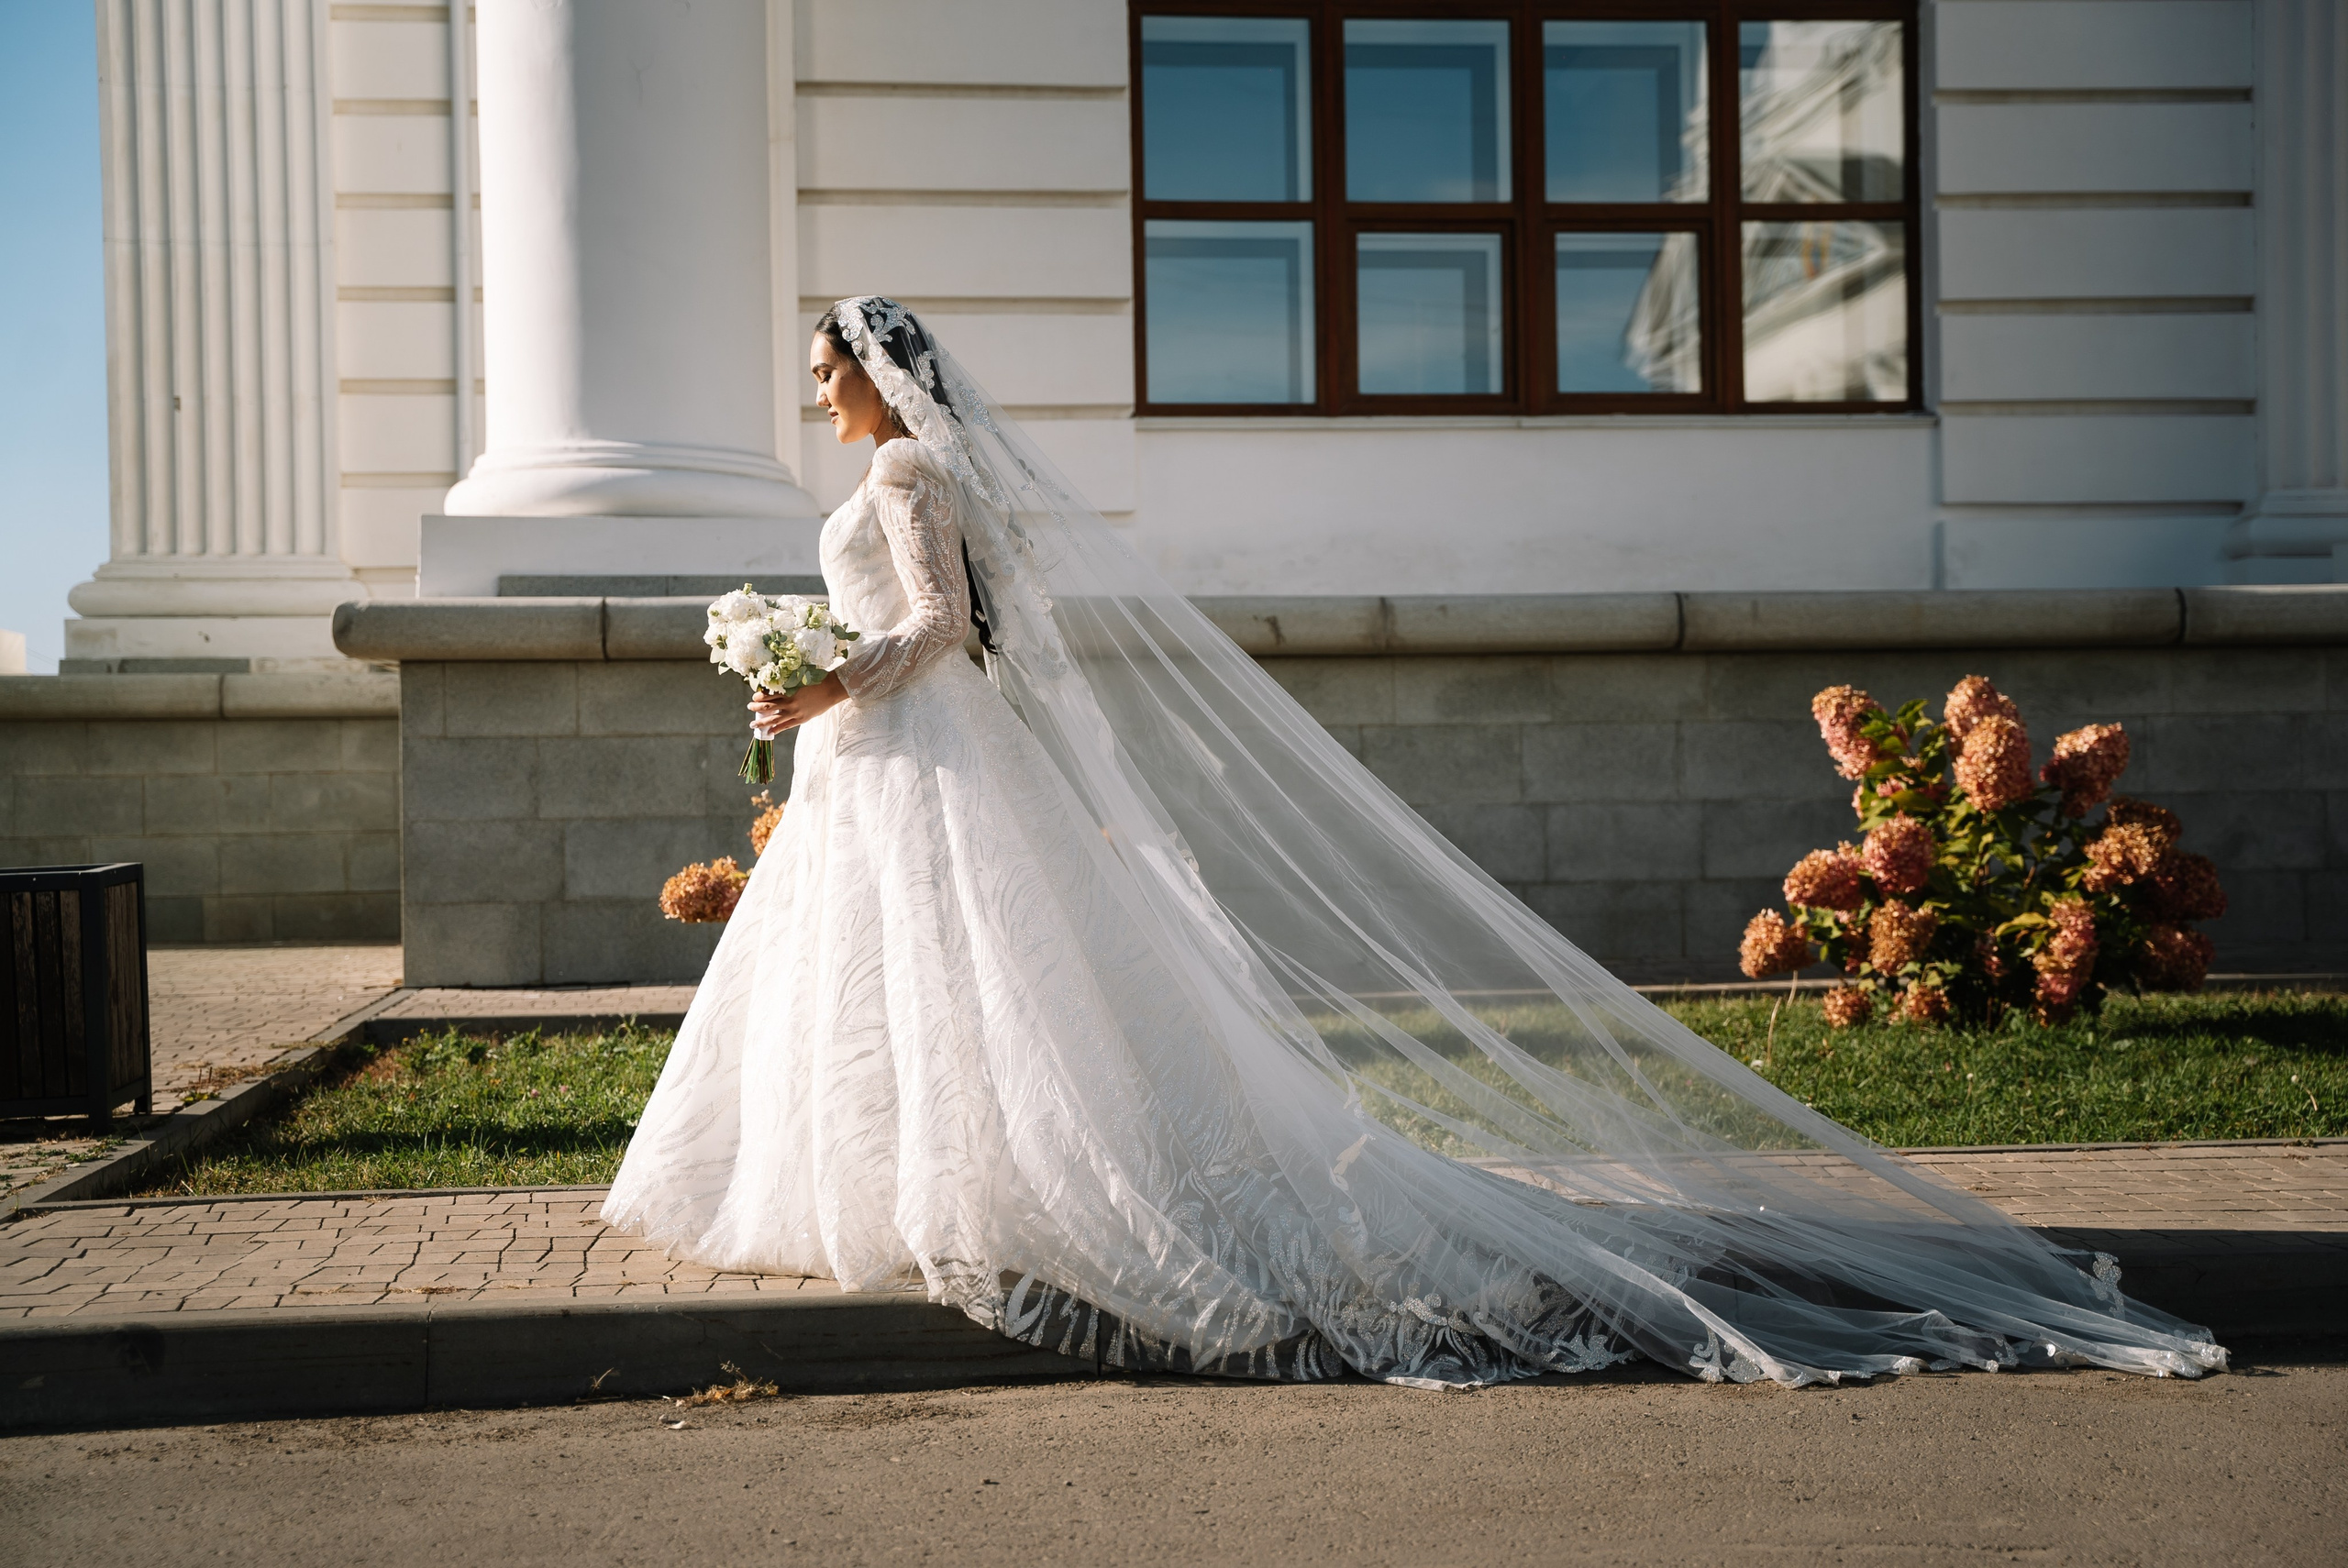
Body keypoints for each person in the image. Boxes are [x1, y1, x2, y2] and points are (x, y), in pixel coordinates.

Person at [602, 297, 2225, 1387]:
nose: (812, 390)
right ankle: (883, 1184)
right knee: (886, 973)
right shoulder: (887, 468)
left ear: (878, 374)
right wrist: (815, 685)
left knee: (974, 975)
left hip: (907, 740)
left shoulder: (901, 472)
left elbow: (945, 622)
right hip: (878, 764)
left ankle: (996, 1189)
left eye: (825, 365)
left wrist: (822, 677)